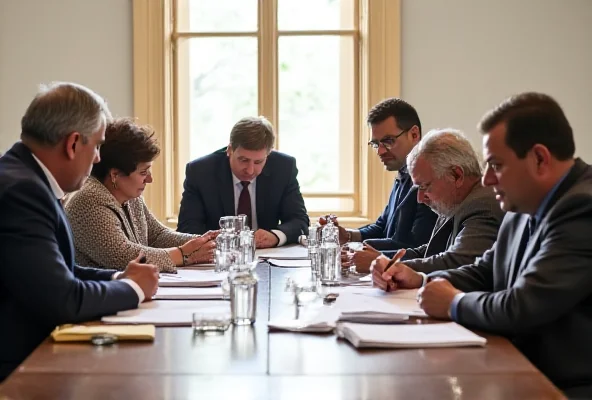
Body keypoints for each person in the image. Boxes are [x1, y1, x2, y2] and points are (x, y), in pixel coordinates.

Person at [371, 92, 592, 398]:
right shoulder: (523, 204)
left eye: (496, 165)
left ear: (539, 158)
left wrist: (452, 303)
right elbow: (486, 269)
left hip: (562, 387)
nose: (486, 179)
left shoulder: (583, 208)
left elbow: (521, 306)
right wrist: (418, 277)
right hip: (517, 367)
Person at [0, 82, 158, 381]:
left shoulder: (27, 179)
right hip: (18, 369)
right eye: (97, 145)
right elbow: (62, 299)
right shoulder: (24, 192)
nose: (99, 157)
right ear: (73, 144)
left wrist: (117, 277)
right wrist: (133, 289)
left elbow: (57, 271)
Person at [65, 118, 217, 272]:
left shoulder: (129, 195)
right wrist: (183, 254)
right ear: (115, 175)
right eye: (143, 172)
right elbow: (124, 256)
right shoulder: (89, 200)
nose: (150, 179)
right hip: (99, 293)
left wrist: (207, 241)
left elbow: (157, 236)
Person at [356, 128, 503, 273]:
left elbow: (456, 262)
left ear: (457, 176)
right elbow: (430, 251)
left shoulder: (483, 205)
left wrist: (388, 265)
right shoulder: (456, 200)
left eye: (425, 186)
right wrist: (381, 259)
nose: (420, 199)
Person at [322, 98, 437, 271]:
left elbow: (416, 246)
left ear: (414, 134)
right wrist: (348, 236)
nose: (381, 151)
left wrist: (362, 252)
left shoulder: (430, 180)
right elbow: (382, 226)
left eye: (388, 141)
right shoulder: (403, 173)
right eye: (376, 144)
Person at [177, 116, 309, 248]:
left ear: (268, 155)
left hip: (268, 258)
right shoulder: (201, 172)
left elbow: (299, 220)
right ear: (229, 150)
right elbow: (187, 228)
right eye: (243, 160)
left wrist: (275, 236)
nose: (250, 170)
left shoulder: (283, 167)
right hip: (218, 258)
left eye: (258, 162)